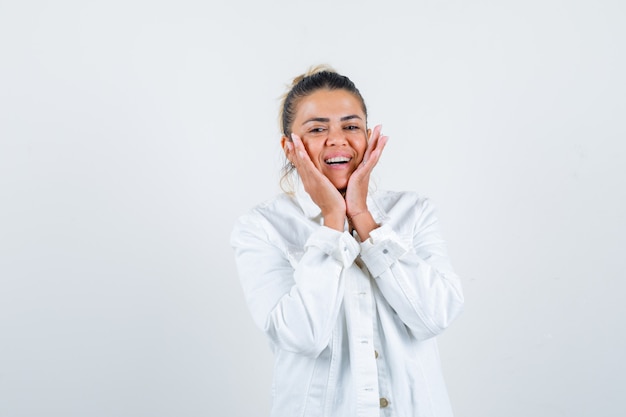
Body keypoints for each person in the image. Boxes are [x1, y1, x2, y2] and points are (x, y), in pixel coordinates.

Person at [230, 65, 464, 417]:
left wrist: (363, 219)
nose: (337, 139)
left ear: (368, 137)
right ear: (289, 147)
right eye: (317, 128)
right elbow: (303, 335)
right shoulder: (261, 227)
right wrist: (332, 222)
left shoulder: (414, 213)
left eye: (351, 126)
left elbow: (433, 317)